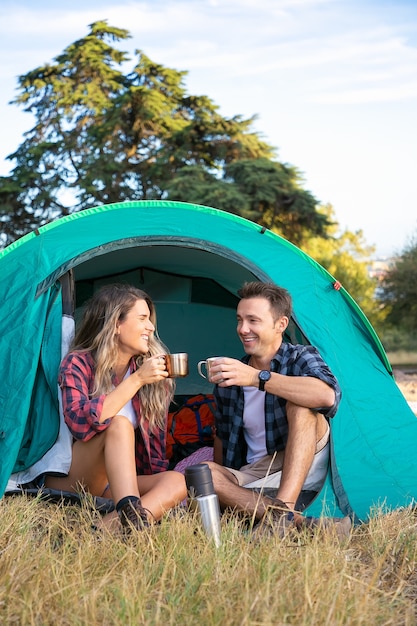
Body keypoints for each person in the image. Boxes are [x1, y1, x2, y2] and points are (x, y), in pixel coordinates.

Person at [204, 281, 348, 537]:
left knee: (302, 406)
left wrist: (257, 378)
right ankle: (295, 522)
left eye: (253, 320)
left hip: (303, 463)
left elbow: (327, 396)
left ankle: (283, 511)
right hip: (254, 473)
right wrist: (223, 489)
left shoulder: (300, 356)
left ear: (280, 324)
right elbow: (222, 438)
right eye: (239, 320)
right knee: (199, 474)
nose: (243, 329)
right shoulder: (230, 376)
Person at [45, 283, 187, 533]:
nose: (151, 327)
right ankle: (134, 520)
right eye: (142, 318)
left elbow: (153, 451)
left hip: (113, 485)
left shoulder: (150, 378)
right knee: (119, 425)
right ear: (116, 324)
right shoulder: (78, 363)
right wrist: (137, 380)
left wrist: (160, 493)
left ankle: (102, 530)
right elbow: (79, 423)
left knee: (176, 481)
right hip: (71, 476)